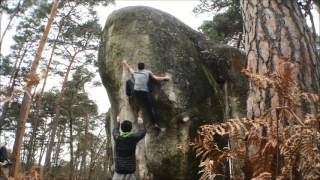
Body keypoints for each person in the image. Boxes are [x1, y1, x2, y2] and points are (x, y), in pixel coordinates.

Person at [122, 60, 170, 129]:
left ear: (138, 68)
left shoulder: (135, 73)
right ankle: (154, 124)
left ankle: (128, 94)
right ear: (144, 68)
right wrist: (165, 78)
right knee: (150, 108)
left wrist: (125, 63)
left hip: (136, 92)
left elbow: (129, 68)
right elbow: (156, 78)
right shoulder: (147, 72)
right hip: (144, 93)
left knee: (128, 81)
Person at [112, 114, 146, 180]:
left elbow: (115, 131)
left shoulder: (117, 138)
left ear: (121, 129)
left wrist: (118, 122)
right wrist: (141, 123)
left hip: (119, 171)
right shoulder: (133, 138)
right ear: (130, 129)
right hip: (130, 172)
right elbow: (142, 132)